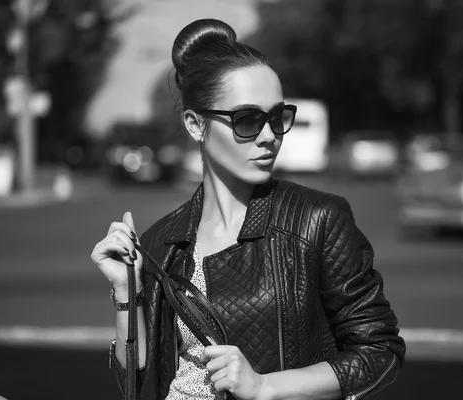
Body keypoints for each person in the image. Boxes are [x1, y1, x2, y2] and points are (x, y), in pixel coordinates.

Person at [91, 18, 405, 400]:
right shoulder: (162, 243)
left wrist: (264, 386)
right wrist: (128, 289)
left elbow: (379, 351)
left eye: (276, 117)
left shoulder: (316, 220)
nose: (269, 135)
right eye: (247, 120)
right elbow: (139, 386)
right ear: (195, 124)